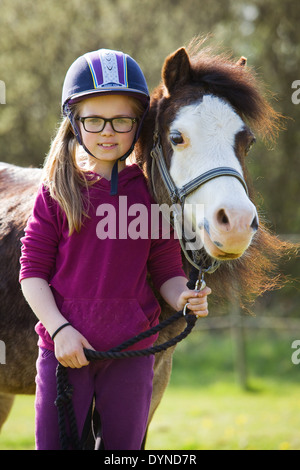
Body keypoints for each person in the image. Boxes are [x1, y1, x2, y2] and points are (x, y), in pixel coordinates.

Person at [19, 48, 211, 450]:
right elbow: (32, 274)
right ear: (75, 122)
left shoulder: (149, 194)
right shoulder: (57, 191)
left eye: (121, 120)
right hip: (66, 352)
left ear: (137, 124)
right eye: (94, 120)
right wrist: (60, 331)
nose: (108, 132)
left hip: (131, 354)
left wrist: (184, 297)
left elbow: (166, 270)